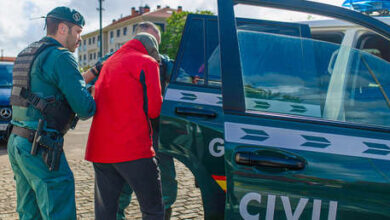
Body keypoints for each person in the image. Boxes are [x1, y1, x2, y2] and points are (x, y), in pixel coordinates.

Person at [7, 6, 99, 220]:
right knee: (58, 208)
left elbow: (43, 90)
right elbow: (85, 109)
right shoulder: (62, 57)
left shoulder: (26, 53)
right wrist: (92, 93)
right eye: (77, 31)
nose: (80, 38)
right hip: (41, 146)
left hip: (17, 141)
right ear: (62, 28)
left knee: (29, 212)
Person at [85, 32, 164, 219]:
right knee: (153, 209)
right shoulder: (147, 62)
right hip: (133, 149)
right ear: (151, 50)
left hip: (101, 151)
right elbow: (154, 110)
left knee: (105, 212)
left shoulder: (108, 63)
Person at [114, 22, 177, 220]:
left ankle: (163, 214)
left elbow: (186, 76)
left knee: (165, 181)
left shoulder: (164, 64)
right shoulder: (113, 60)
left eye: (154, 44)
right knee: (121, 185)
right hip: (126, 133)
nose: (150, 50)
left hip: (155, 133)